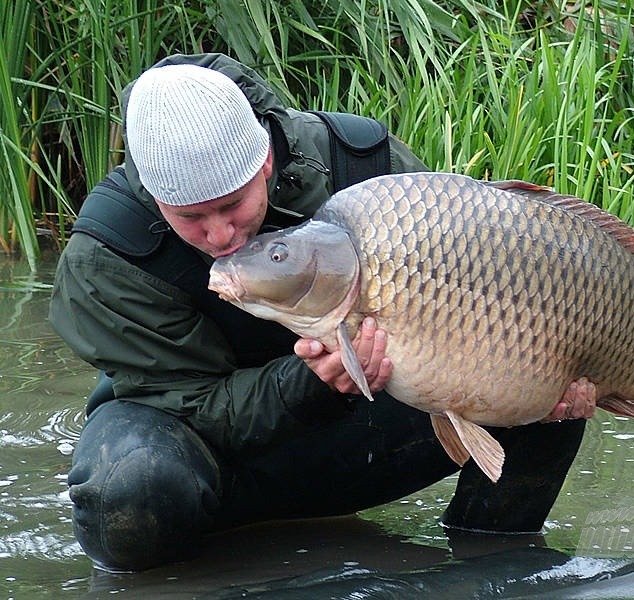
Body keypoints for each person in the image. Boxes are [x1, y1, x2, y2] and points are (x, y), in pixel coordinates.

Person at [49, 53, 591, 572]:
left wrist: (531, 374)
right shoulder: (108, 256)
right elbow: (192, 404)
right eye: (191, 217)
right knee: (129, 493)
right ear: (153, 190)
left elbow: (478, 290)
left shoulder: (362, 166)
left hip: (364, 430)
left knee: (543, 373)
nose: (220, 235)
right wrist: (307, 383)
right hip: (210, 457)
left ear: (263, 159)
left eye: (232, 205)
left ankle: (489, 567)